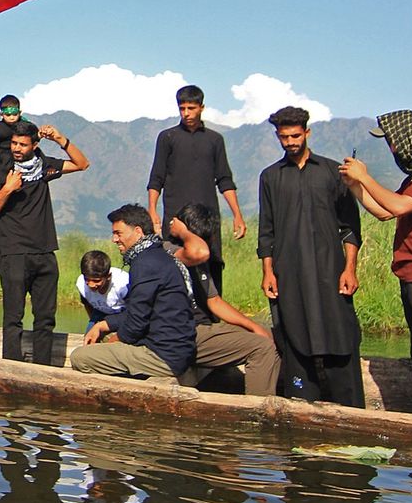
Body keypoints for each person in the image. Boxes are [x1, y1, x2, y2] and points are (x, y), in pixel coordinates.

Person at [258, 106, 363, 408]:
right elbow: (267, 232)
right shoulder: (270, 177)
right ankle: (300, 405)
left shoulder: (332, 172)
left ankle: (353, 409)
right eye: (283, 137)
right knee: (294, 336)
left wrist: (350, 269)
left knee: (341, 333)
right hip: (289, 273)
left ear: (307, 132)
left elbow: (350, 227)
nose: (290, 141)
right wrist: (268, 272)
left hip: (331, 272)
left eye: (294, 135)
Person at [0, 120, 90, 364]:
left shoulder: (44, 166)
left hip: (44, 253)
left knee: (45, 319)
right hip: (14, 254)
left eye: (22, 144)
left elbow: (82, 164)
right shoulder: (0, 172)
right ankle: (11, 367)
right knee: (13, 318)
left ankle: (43, 368)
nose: (17, 148)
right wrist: (7, 190)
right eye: (14, 143)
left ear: (35, 145)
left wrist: (60, 139)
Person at [340, 110, 412, 394]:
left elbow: (398, 206)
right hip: (411, 276)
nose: (392, 148)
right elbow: (385, 212)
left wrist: (365, 176)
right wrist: (356, 186)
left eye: (393, 141)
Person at [69, 204, 196, 383]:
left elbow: (136, 322)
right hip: (175, 348)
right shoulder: (158, 255)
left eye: (118, 233)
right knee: (103, 339)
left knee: (79, 357)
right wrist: (102, 325)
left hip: (163, 355)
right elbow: (139, 311)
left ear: (137, 232)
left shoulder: (144, 264)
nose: (114, 239)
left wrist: (115, 340)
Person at [167, 204, 281, 396]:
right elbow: (199, 251)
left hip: (204, 328)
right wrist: (183, 231)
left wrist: (253, 326)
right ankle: (258, 410)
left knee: (272, 336)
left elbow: (215, 302)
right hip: (186, 332)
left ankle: (269, 392)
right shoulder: (169, 251)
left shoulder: (198, 263)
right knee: (262, 348)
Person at [146, 85, 247, 291]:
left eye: (191, 108)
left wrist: (237, 214)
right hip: (176, 215)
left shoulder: (214, 140)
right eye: (182, 108)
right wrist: (152, 211)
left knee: (212, 259)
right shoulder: (168, 137)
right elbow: (157, 178)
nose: (186, 113)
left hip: (207, 215)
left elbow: (225, 179)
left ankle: (211, 313)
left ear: (202, 108)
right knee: (174, 261)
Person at [76, 249, 129, 328]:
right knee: (90, 336)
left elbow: (136, 312)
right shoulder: (81, 284)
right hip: (100, 313)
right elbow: (87, 304)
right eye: (87, 279)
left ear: (108, 276)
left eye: (96, 281)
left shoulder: (123, 284)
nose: (91, 285)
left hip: (124, 315)